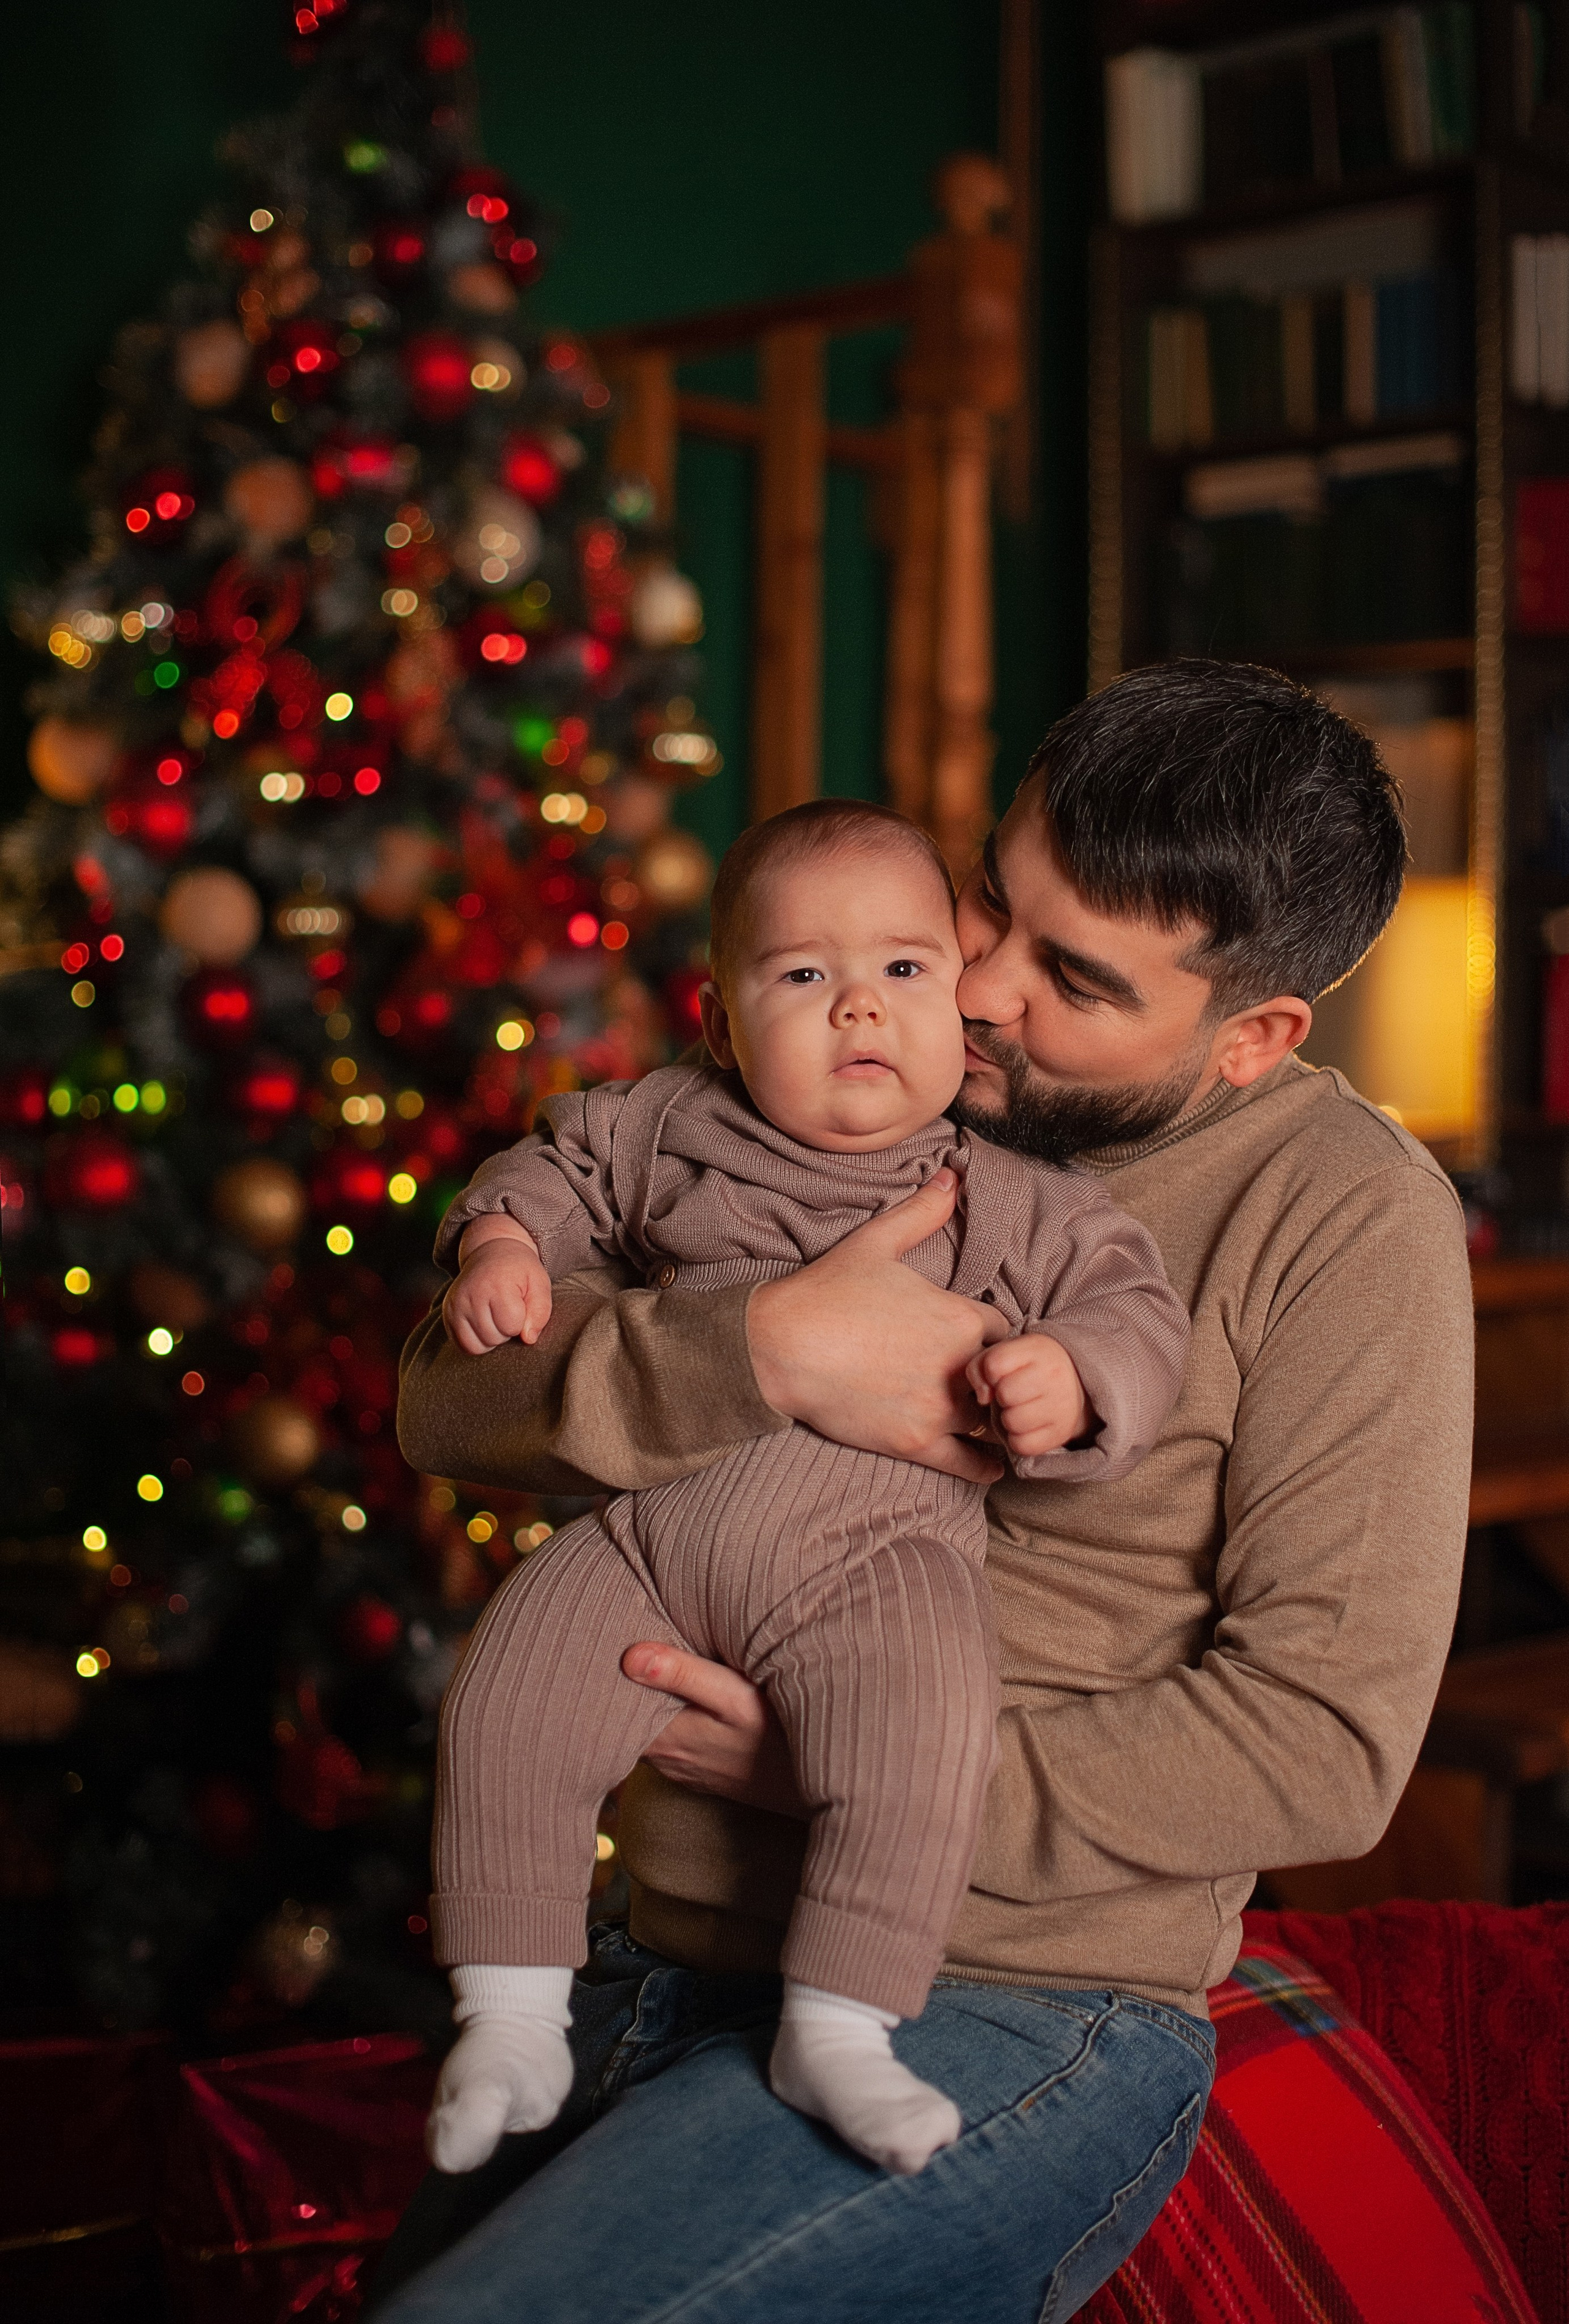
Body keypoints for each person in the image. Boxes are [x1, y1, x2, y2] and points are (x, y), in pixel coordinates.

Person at [376, 660, 1473, 2324]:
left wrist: (836, 1777)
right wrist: (765, 1350)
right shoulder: (842, 1037)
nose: (976, 990)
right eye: (992, 903)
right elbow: (445, 1402)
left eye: (1073, 977)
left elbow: (1320, 1746)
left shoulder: (1345, 1220)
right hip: (652, 1950)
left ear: (1251, 1038)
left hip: (1017, 1997)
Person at [422, 799, 1188, 2180]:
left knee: (918, 1740)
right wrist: (501, 1245)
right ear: (721, 1024)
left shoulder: (1005, 1193)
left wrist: (1073, 1380)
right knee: (507, 1705)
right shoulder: (669, 1124)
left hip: (873, 1561)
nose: (857, 1008)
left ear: (959, 1008)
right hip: (649, 1544)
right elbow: (554, 1166)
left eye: (902, 968)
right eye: (801, 975)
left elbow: (1129, 1307)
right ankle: (512, 2014)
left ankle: (840, 2026)